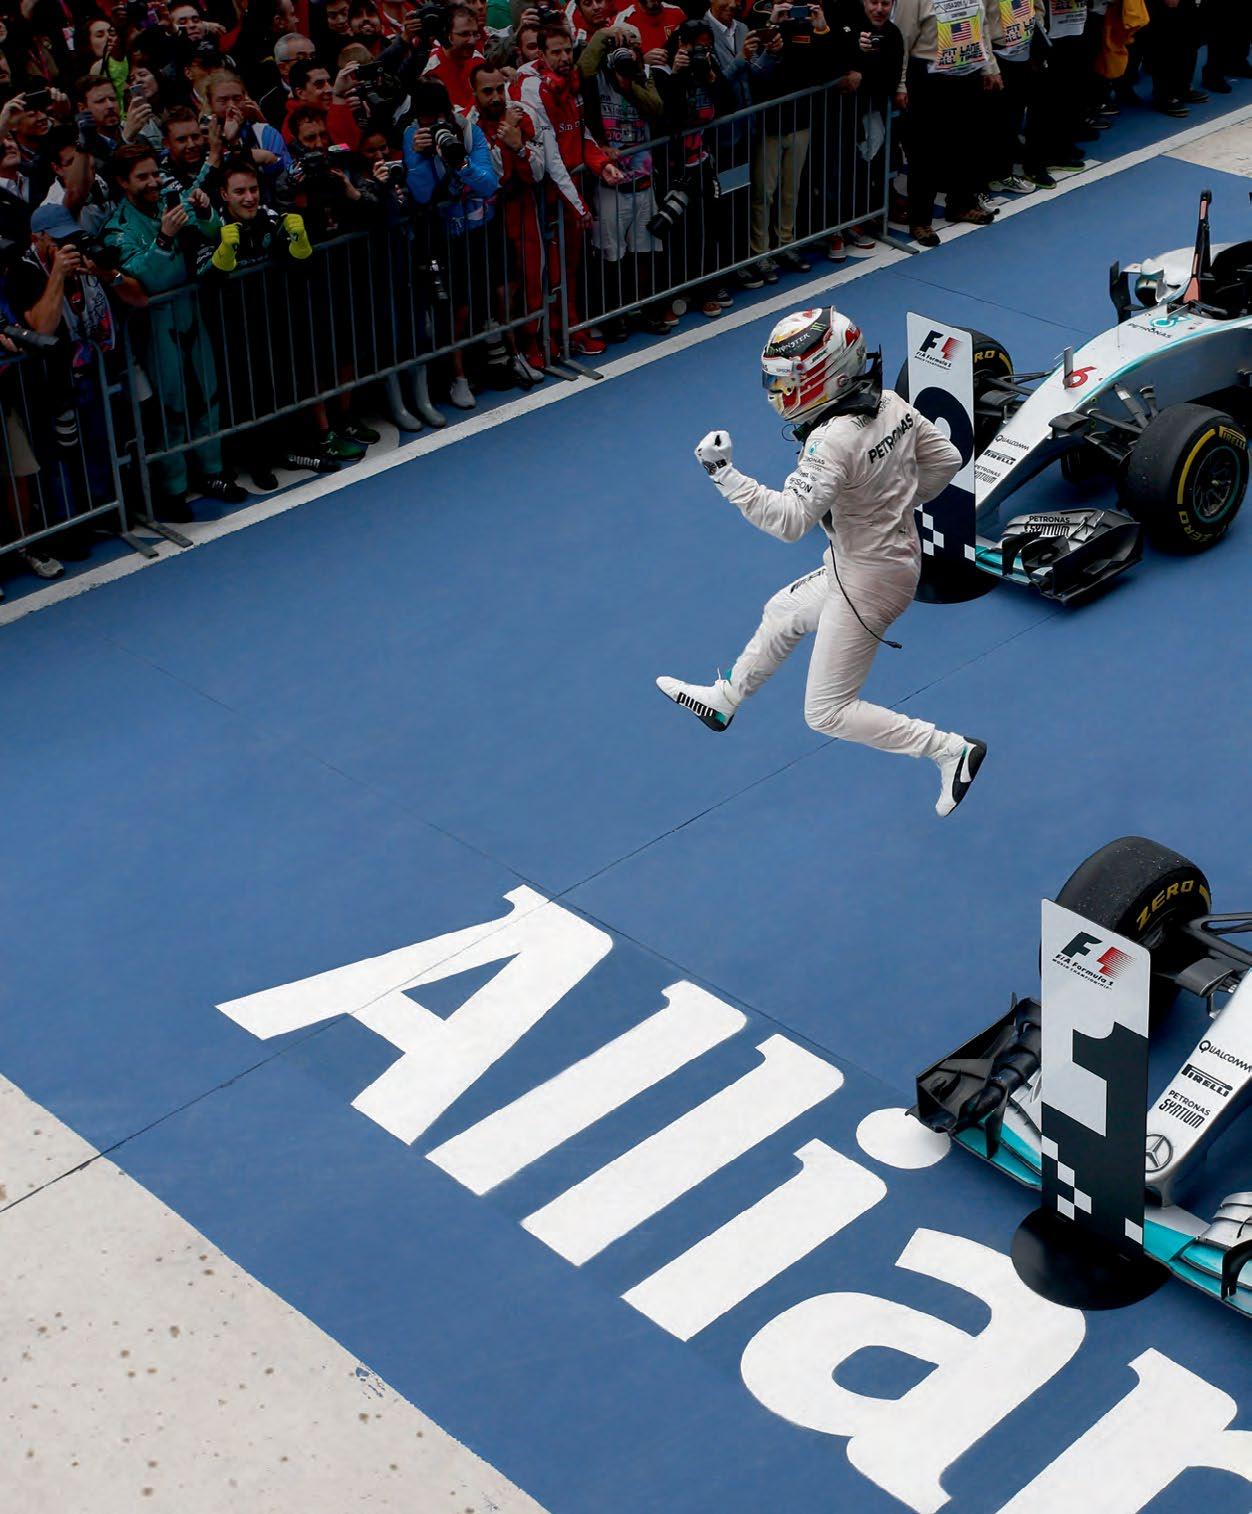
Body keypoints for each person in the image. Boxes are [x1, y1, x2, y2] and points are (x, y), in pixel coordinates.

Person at [656, 305, 986, 818]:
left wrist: (724, 475)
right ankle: (725, 700)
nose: (778, 392)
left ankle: (950, 750)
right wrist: (894, 504)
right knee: (782, 612)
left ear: (825, 375)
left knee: (827, 712)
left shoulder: (830, 441)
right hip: (881, 559)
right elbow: (947, 459)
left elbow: (790, 521)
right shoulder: (892, 403)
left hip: (869, 580)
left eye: (788, 381)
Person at [101, 143, 245, 517]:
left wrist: (206, 210)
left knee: (208, 393)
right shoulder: (117, 229)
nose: (153, 182)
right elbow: (145, 281)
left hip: (191, 312)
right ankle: (174, 489)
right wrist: (164, 238)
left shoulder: (173, 199)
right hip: (153, 326)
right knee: (170, 409)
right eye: (143, 177)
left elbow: (214, 232)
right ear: (122, 182)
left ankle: (213, 472)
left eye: (155, 173)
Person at [894, 0, 1002, 247]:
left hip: (968, 72)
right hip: (929, 78)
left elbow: (982, 26)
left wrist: (990, 67)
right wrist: (900, 83)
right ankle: (920, 220)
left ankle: (961, 204)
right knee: (925, 151)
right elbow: (902, 39)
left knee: (966, 143)